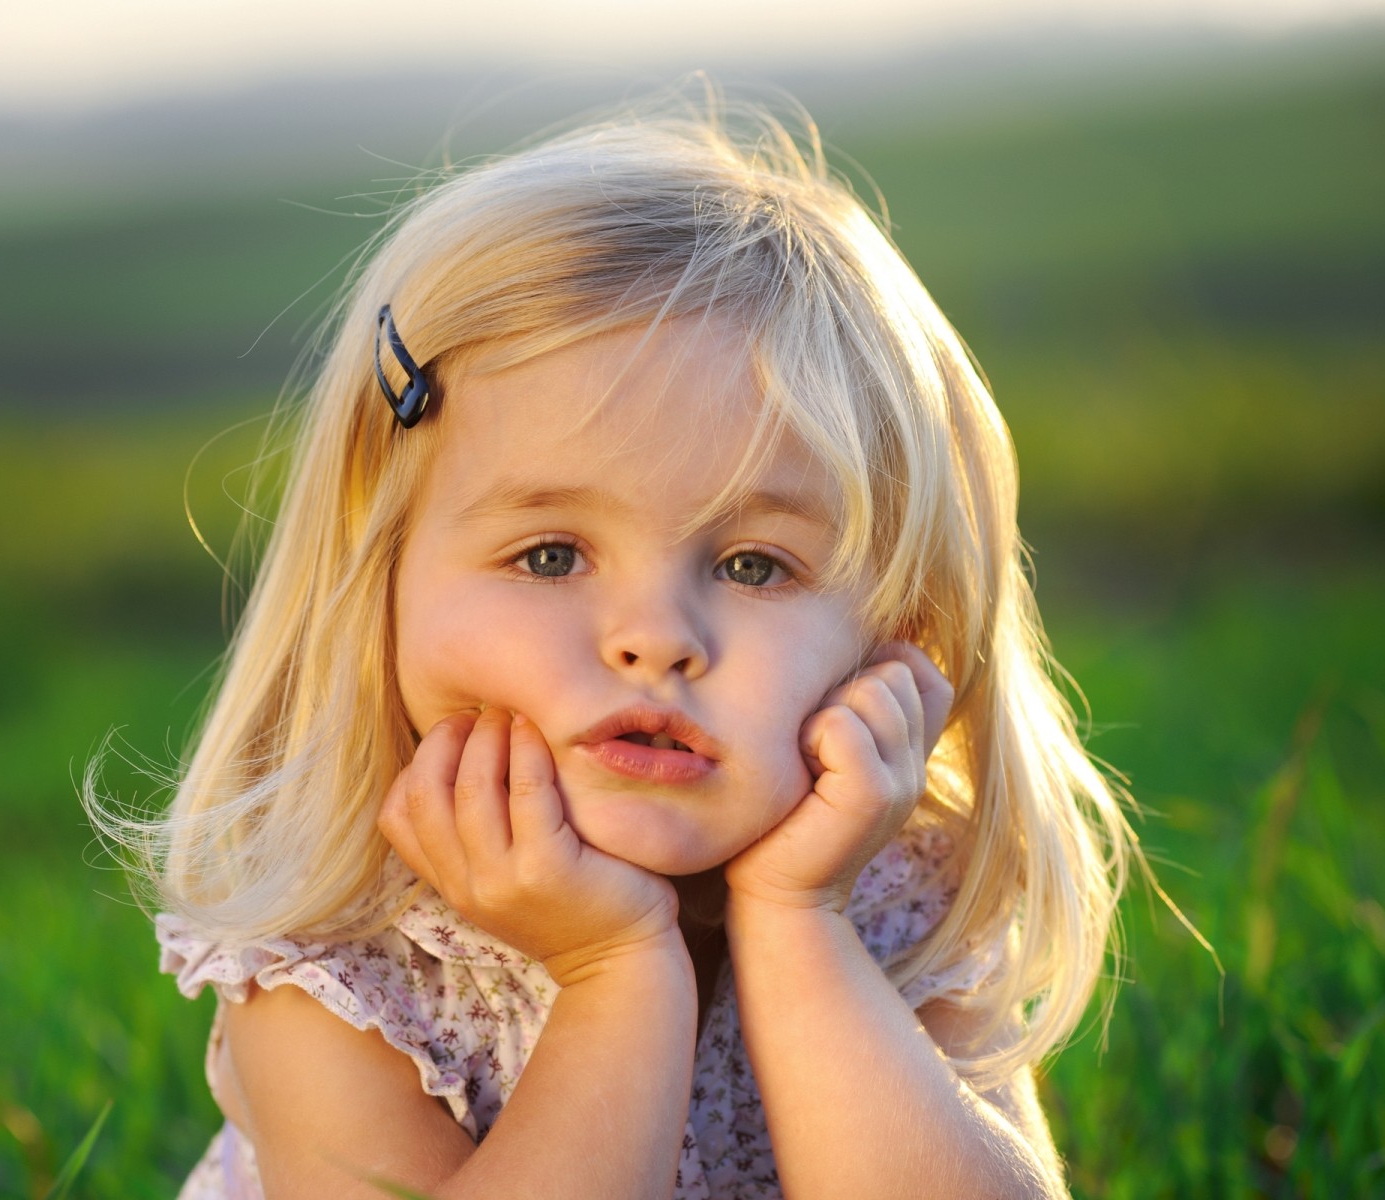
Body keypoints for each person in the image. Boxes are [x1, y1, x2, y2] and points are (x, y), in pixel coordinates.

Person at [90, 88, 1141, 1199]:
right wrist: (615, 974)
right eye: (549, 555)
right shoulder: (340, 967)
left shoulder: (897, 895)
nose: (655, 640)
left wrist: (798, 922)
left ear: (898, 639)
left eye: (752, 567)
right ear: (380, 579)